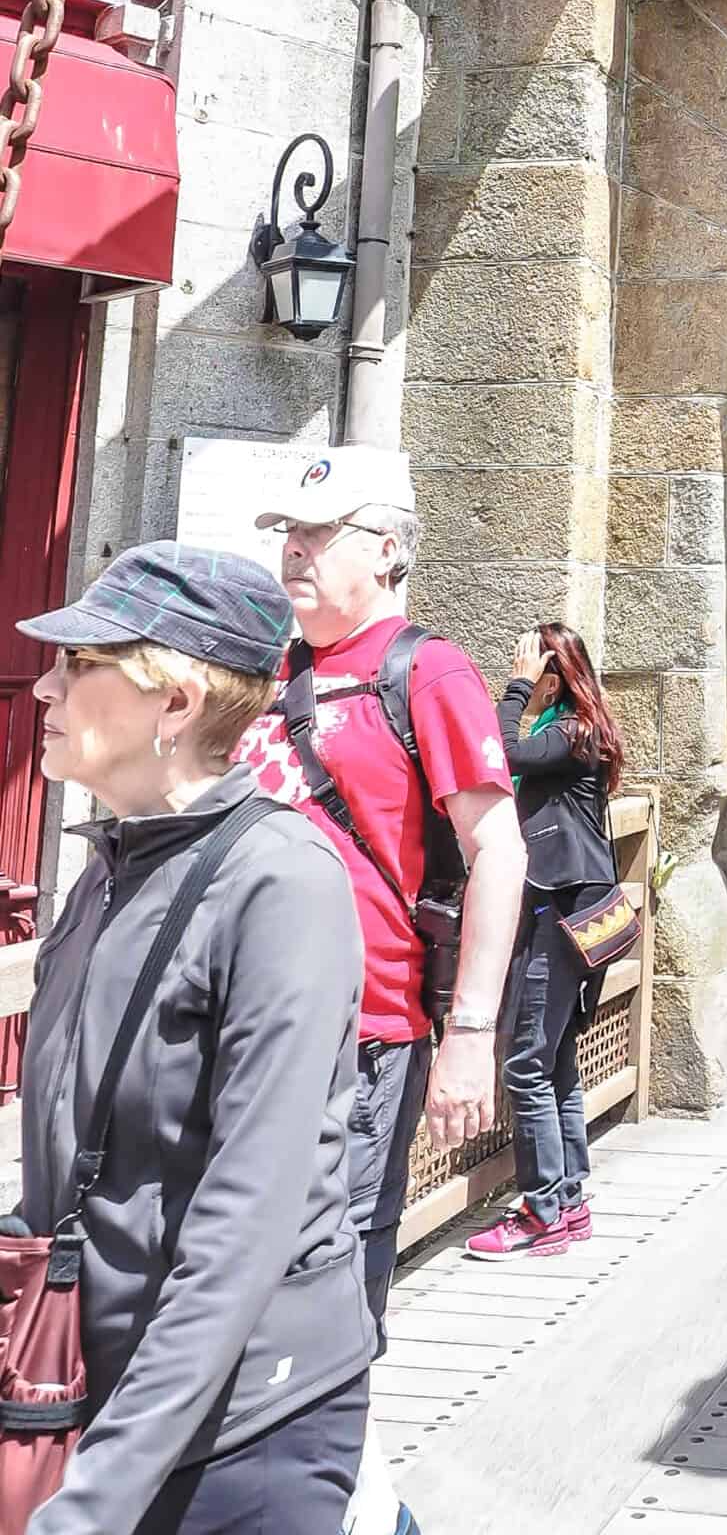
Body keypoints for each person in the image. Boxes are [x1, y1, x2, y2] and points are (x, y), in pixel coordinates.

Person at [16, 544, 373, 1535]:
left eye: (82, 665)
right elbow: (62, 1170)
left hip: (248, 1424)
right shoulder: (107, 870)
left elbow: (241, 1232)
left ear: (174, 703)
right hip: (108, 1397)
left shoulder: (280, 883)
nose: (45, 683)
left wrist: (88, 1507)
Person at [239, 447, 526, 1338]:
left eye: (322, 533)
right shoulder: (272, 668)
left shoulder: (426, 672)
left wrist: (471, 1035)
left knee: (332, 1272)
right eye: (289, 532)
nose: (297, 550)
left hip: (361, 1031)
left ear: (389, 550)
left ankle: (333, 1464)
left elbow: (498, 852)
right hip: (248, 1020)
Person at [466, 625, 623, 1263]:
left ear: (553, 678)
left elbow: (495, 751)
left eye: (532, 668)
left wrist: (514, 688)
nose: (522, 675)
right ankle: (570, 1198)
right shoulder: (572, 729)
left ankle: (541, 1209)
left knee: (526, 1060)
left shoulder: (569, 734)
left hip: (564, 910)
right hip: (569, 908)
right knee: (553, 1058)